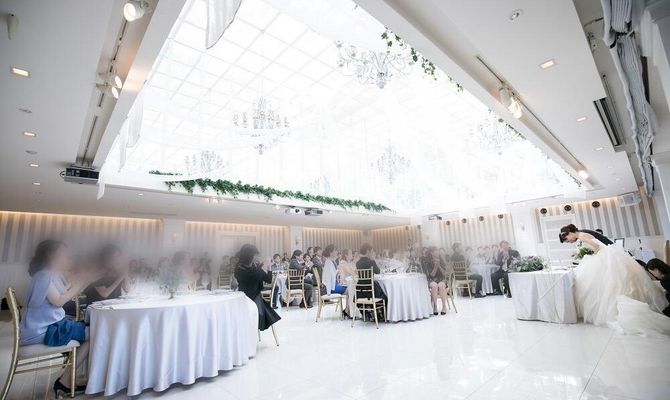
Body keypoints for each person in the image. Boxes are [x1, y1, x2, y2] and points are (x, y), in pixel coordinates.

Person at [559, 224, 669, 334]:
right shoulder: (582, 234)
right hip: (607, 254)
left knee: (608, 283)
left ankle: (615, 311)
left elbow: (597, 247)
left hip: (604, 256)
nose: (569, 242)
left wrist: (593, 256)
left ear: (569, 233)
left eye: (567, 239)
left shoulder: (582, 235)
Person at [20, 240, 98, 396]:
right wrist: (80, 283)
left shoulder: (45, 275)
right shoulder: (44, 276)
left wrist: (83, 281)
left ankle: (68, 379)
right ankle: (65, 381)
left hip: (47, 326)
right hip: (45, 330)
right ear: (51, 255)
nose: (67, 257)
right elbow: (59, 301)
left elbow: (64, 294)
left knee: (92, 328)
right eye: (64, 254)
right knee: (95, 333)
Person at [234, 244, 281, 331]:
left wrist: (269, 267)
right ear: (249, 255)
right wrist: (262, 266)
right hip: (246, 298)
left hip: (256, 296)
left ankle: (255, 327)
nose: (257, 257)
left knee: (264, 310)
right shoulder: (239, 267)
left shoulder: (255, 266)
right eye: (255, 255)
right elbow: (252, 277)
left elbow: (268, 280)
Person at [355, 243, 387, 317]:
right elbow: (378, 271)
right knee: (385, 295)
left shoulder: (358, 263)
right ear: (368, 251)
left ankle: (369, 314)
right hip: (371, 290)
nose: (372, 253)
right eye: (372, 251)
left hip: (360, 291)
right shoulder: (371, 262)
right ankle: (381, 315)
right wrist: (373, 259)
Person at [421, 247, 448, 315]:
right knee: (434, 286)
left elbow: (445, 273)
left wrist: (439, 266)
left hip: (441, 279)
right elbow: (431, 275)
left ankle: (444, 306)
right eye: (435, 251)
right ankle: (435, 306)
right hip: (431, 279)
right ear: (431, 253)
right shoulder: (427, 262)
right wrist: (435, 267)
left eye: (437, 251)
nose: (437, 252)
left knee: (441, 285)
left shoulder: (441, 260)